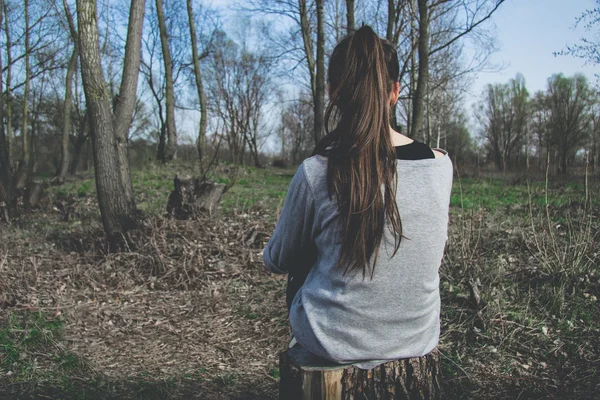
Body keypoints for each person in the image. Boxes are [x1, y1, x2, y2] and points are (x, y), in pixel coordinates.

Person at [263, 25, 453, 369]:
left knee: (304, 264)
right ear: (395, 92)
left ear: (333, 92)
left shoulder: (316, 171)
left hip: (330, 342)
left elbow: (278, 259)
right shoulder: (440, 165)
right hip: (417, 337)